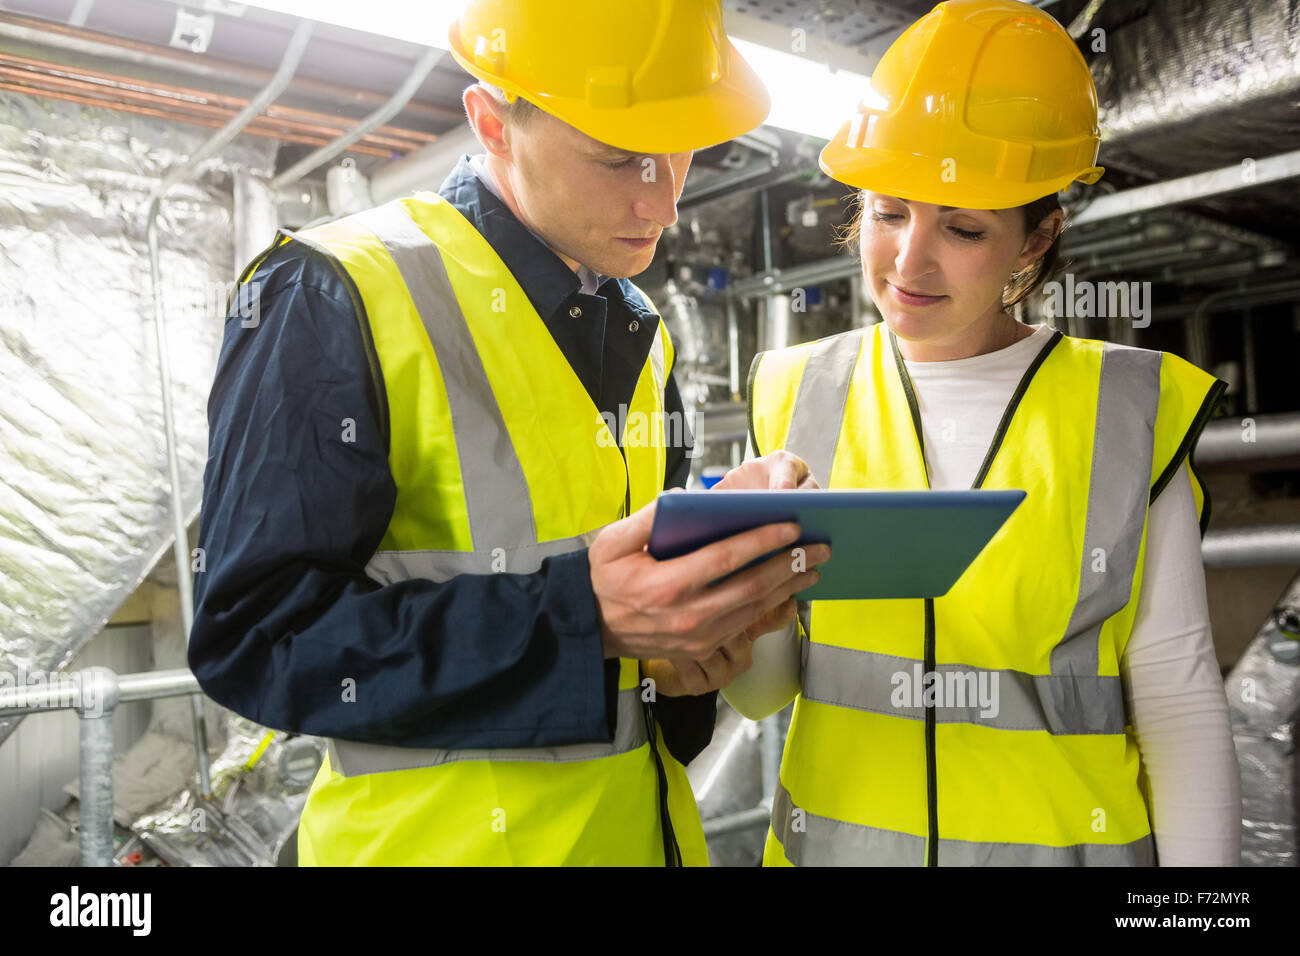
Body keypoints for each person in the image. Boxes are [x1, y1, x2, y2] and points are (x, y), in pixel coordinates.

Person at [188, 0, 828, 866]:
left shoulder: (642, 331)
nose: (665, 200)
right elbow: (257, 639)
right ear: (492, 122)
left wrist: (681, 661)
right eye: (620, 158)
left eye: (679, 150)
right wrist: (585, 620)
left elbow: (633, 654)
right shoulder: (334, 292)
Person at [720, 0, 1240, 866]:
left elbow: (1180, 706)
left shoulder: (1128, 412)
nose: (909, 262)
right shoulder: (794, 392)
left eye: (962, 228)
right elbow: (763, 695)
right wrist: (750, 591)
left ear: (1037, 240)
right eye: (889, 214)